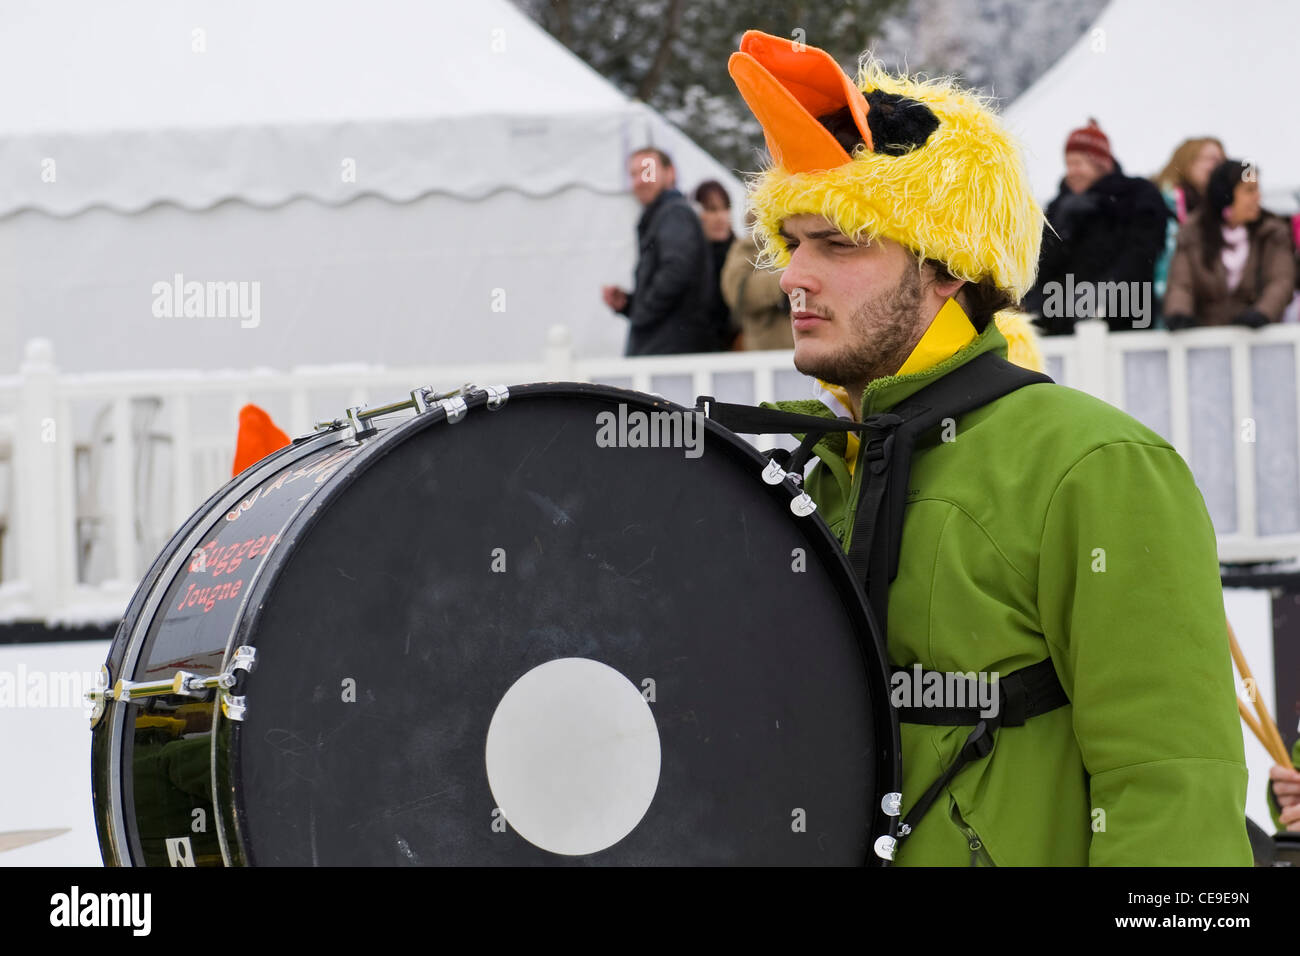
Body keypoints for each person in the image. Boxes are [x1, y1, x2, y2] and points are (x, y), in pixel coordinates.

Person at [728, 29, 1251, 865]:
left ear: (951, 266)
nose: (794, 274)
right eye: (793, 241)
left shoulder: (1096, 466)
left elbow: (1173, 795)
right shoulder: (802, 478)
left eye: (841, 240)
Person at [1021, 119, 1169, 334]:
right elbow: (1041, 266)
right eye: (1068, 164)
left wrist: (1099, 296)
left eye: (1079, 163)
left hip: (1126, 319)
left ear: (1101, 163)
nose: (1072, 171)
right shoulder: (1058, 207)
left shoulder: (1137, 197)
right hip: (1064, 323)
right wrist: (1063, 228)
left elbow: (1141, 255)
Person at [600, 148, 722, 355]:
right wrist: (629, 304)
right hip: (667, 347)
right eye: (634, 174)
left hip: (670, 351)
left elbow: (677, 270)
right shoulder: (662, 215)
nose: (640, 180)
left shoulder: (674, 213)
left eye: (647, 171)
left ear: (670, 172)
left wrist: (640, 313)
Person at [1164, 159, 1297, 329]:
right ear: (1226, 194)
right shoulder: (1193, 234)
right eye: (1249, 190)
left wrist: (1262, 313)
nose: (1258, 197)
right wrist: (1179, 314)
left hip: (1259, 341)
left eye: (1257, 189)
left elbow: (1281, 281)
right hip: (1208, 340)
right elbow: (1181, 285)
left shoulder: (1272, 233)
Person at [1152, 137, 1226, 306]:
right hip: (1167, 298)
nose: (1217, 166)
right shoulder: (1163, 202)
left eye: (1222, 160)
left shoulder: (1224, 211)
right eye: (1211, 159)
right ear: (1187, 161)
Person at [719, 211, 794, 350]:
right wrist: (784, 283)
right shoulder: (749, 246)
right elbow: (735, 289)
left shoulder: (808, 239)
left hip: (810, 351)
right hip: (766, 354)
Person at [693, 180, 740, 349]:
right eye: (712, 209)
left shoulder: (743, 255)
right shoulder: (689, 259)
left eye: (725, 208)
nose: (720, 217)